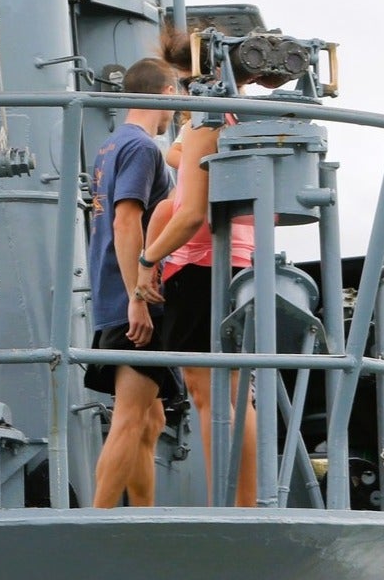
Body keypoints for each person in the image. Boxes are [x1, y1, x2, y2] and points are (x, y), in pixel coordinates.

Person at [136, 28, 260, 507]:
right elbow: (188, 161)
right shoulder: (235, 116)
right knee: (233, 392)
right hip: (235, 260)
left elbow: (189, 214)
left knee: (211, 396)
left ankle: (228, 505)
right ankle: (240, 503)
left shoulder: (206, 119)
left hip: (201, 264)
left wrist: (149, 261)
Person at [84, 56, 180, 507]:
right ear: (165, 95)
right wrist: (138, 297)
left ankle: (143, 515)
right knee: (128, 416)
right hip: (133, 298)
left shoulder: (109, 147)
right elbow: (127, 221)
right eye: (176, 99)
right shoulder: (144, 149)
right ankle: (91, 528)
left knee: (150, 419)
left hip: (109, 292)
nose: (177, 111)